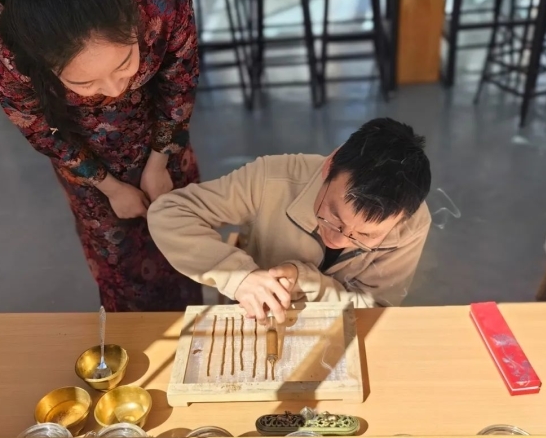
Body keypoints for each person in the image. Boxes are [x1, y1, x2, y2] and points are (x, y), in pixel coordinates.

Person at [0, 0, 201, 311]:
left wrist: (159, 160)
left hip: (163, 132)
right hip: (84, 153)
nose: (115, 90)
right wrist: (109, 186)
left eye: (125, 64)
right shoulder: (5, 45)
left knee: (185, 239)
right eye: (84, 83)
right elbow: (40, 129)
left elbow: (179, 82)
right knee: (123, 269)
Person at [148, 118, 432, 322]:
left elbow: (373, 310)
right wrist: (238, 275)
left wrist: (306, 281)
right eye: (333, 216)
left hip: (341, 327)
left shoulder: (411, 226)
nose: (337, 239)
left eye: (365, 236)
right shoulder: (270, 179)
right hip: (262, 318)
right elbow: (169, 212)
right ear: (329, 166)